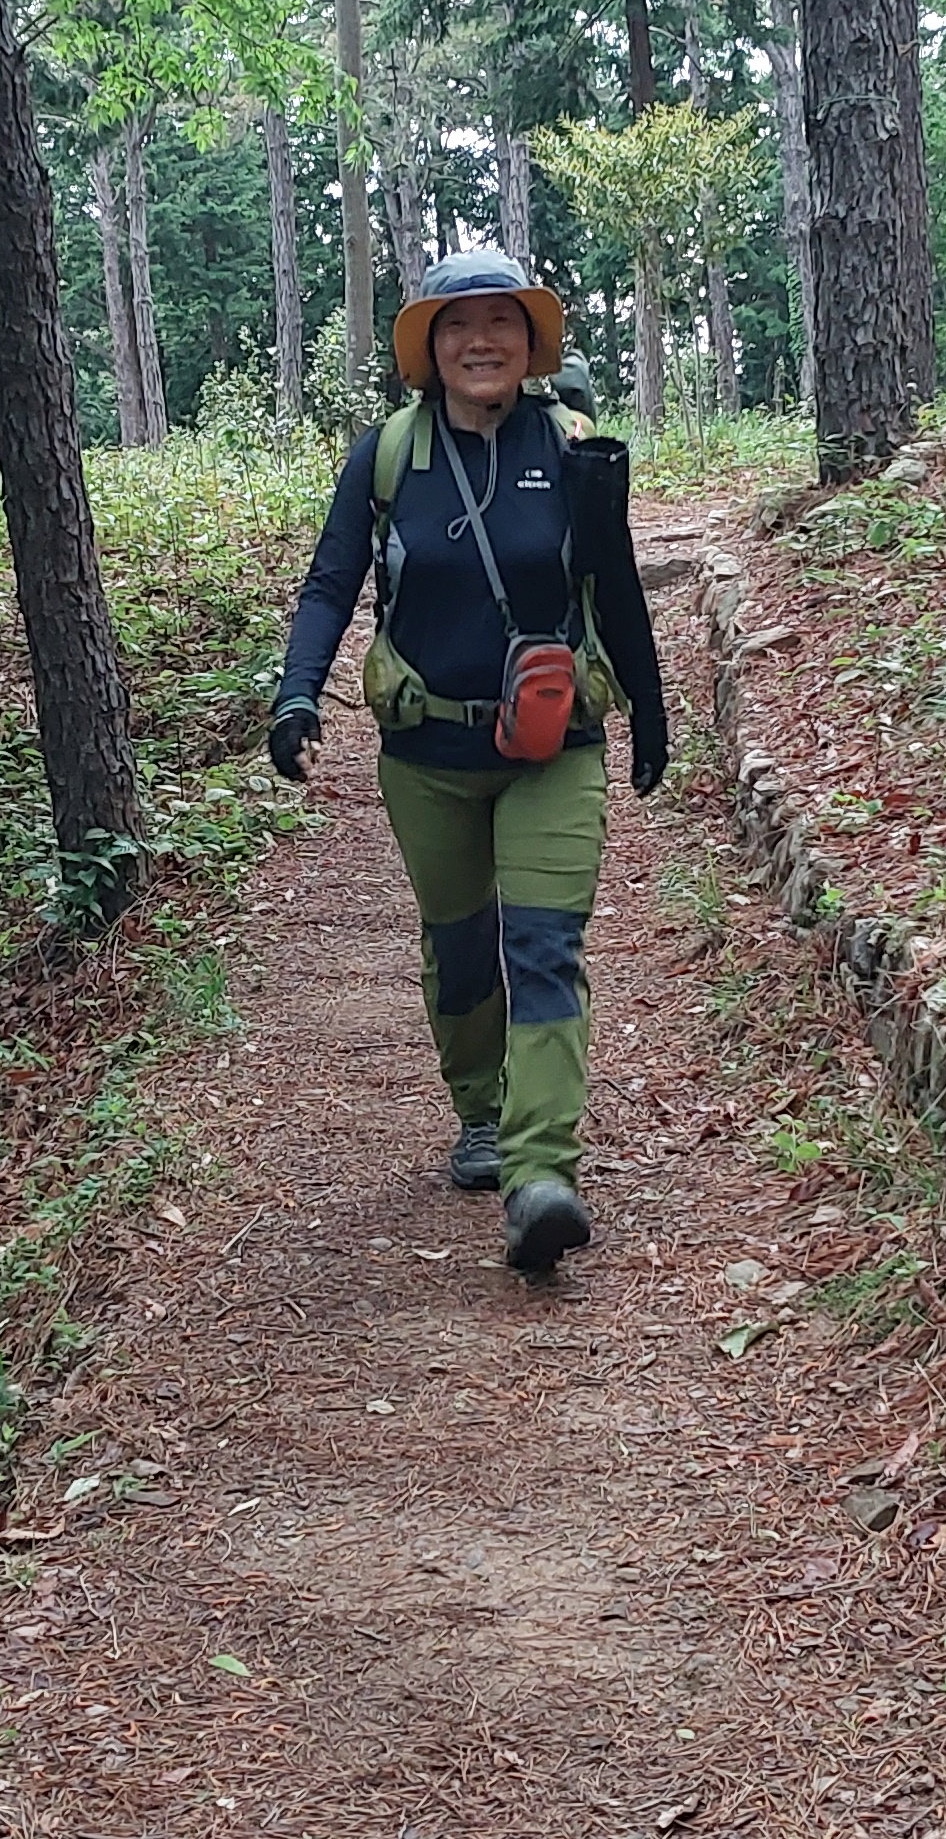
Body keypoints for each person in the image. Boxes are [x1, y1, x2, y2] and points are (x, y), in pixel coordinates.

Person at [270, 249, 670, 1274]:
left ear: (531, 344)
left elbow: (616, 584)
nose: (480, 341)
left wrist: (652, 707)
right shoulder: (387, 457)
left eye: (501, 322)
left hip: (554, 749)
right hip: (428, 753)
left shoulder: (574, 451)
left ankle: (541, 1174)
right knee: (460, 945)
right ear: (429, 348)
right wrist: (298, 693)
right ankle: (481, 1112)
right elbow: (330, 584)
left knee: (543, 945)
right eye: (457, 324)